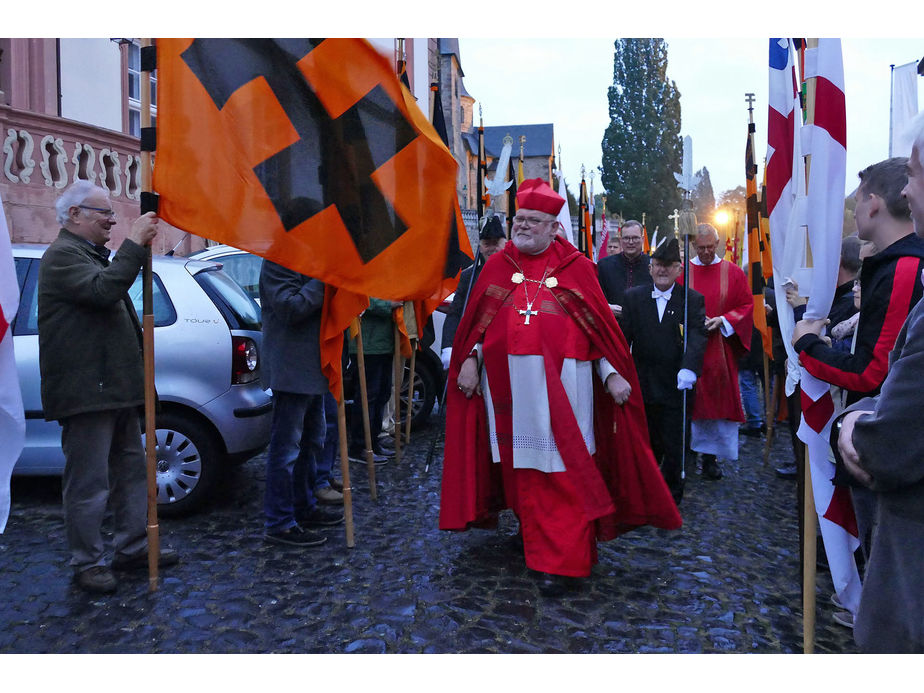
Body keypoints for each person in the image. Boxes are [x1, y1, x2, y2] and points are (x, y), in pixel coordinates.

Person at [439, 178, 681, 592]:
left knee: (563, 473)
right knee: (523, 472)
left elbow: (598, 331)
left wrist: (610, 373)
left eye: (534, 220)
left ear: (555, 228)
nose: (523, 226)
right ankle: (534, 537)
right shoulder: (498, 267)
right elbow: (478, 323)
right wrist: (469, 360)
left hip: (565, 392)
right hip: (509, 390)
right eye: (520, 219)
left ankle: (565, 560)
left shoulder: (578, 269)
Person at [38, 180, 177, 593]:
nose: (112, 220)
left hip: (114, 388)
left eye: (113, 214)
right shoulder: (62, 256)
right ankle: (87, 562)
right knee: (88, 484)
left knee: (131, 473)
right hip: (87, 394)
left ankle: (131, 548)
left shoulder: (91, 255)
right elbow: (104, 292)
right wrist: (134, 244)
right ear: (74, 215)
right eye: (104, 213)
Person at [835, 118, 924, 651]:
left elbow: (875, 374)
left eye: (916, 173)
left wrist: (851, 425)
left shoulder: (903, 269)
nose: (908, 189)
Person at [792, 158, 924, 407]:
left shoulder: (904, 268)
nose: (854, 212)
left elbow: (871, 375)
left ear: (873, 204)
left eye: (859, 201)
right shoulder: (898, 264)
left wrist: (806, 345)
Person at [260, 260, 344, 547]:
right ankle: (279, 522)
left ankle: (303, 506)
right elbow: (289, 308)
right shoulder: (278, 259)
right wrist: (326, 279)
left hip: (312, 368)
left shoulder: (308, 256)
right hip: (291, 371)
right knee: (286, 450)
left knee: (312, 442)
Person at [620, 238, 708, 504]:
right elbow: (625, 338)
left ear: (679, 269)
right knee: (646, 441)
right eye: (657, 264)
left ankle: (671, 495)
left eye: (668, 266)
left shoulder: (691, 299)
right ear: (650, 267)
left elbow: (697, 335)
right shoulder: (633, 297)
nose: (662, 270)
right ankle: (644, 490)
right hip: (643, 381)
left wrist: (689, 368)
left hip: (676, 383)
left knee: (674, 442)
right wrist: (619, 372)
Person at [683, 223, 754, 480]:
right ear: (693, 246)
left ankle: (710, 459)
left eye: (710, 247)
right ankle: (685, 456)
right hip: (688, 345)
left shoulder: (732, 273)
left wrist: (723, 321)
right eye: (700, 248)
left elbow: (746, 305)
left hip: (719, 350)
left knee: (714, 405)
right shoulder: (683, 271)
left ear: (718, 244)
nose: (705, 252)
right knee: (687, 403)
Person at [441, 215, 507, 369]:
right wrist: (448, 347)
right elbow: (455, 314)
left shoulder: (516, 275)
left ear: (505, 243)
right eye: (486, 243)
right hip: (473, 350)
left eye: (495, 243)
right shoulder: (468, 277)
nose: (491, 248)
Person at [346, 297, 402, 463]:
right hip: (367, 343)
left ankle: (373, 442)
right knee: (367, 397)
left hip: (384, 342)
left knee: (382, 395)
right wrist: (387, 304)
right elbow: (359, 297)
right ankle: (359, 446)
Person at [596, 220, 652, 319]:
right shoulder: (604, 266)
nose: (630, 242)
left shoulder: (653, 265)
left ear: (642, 239)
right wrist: (607, 308)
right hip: (613, 325)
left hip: (644, 326)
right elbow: (596, 297)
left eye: (635, 238)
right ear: (621, 240)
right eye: (626, 238)